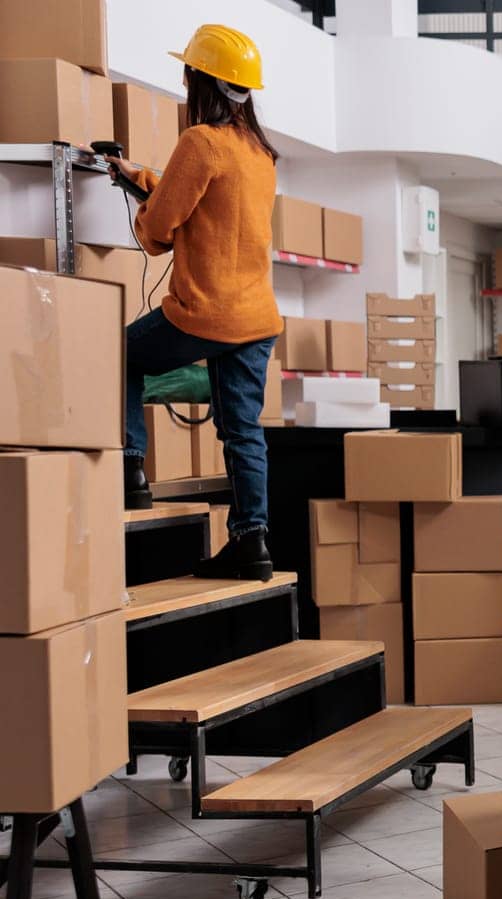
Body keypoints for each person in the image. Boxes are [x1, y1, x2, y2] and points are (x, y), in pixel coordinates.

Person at [115, 24, 283, 582]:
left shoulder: (199, 141)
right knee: (243, 431)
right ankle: (251, 543)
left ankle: (131, 473)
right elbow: (209, 201)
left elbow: (161, 227)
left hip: (207, 312)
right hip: (256, 319)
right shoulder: (260, 153)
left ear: (199, 79)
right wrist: (137, 177)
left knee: (121, 355)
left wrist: (145, 210)